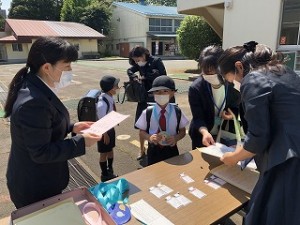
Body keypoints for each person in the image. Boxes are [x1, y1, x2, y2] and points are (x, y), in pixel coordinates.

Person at [4, 37, 101, 209]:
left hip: (38, 179)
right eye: (67, 66)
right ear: (47, 67)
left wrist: (72, 127)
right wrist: (81, 142)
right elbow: (40, 152)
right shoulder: (33, 102)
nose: (71, 71)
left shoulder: (35, 85)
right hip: (35, 187)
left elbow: (45, 125)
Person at [219, 41, 300, 225]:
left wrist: (233, 157)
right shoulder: (284, 72)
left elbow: (258, 138)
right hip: (292, 151)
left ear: (239, 67)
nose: (236, 84)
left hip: (287, 163)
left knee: (264, 215)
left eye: (233, 79)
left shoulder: (253, 79)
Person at [188, 45, 240, 149]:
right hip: (203, 136)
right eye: (207, 72)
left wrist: (231, 113)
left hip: (225, 134)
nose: (211, 75)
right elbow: (198, 117)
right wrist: (205, 132)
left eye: (215, 71)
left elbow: (237, 104)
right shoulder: (196, 88)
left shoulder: (232, 83)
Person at [135, 76, 189, 165]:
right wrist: (149, 137)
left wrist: (176, 138)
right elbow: (141, 132)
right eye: (157, 92)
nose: (161, 94)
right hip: (153, 148)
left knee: (172, 172)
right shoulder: (147, 112)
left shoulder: (177, 111)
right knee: (154, 173)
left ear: (172, 93)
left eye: (165, 91)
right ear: (153, 94)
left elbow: (182, 131)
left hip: (171, 148)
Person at [127, 46, 167, 160]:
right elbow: (129, 70)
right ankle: (141, 150)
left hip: (156, 98)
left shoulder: (156, 61)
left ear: (144, 55)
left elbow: (163, 76)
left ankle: (160, 147)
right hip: (143, 98)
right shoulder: (139, 64)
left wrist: (145, 76)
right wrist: (134, 76)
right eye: (135, 60)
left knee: (156, 125)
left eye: (138, 59)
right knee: (141, 126)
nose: (137, 62)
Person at [97, 75, 119, 182]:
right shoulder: (102, 102)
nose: (118, 88)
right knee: (103, 153)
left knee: (110, 150)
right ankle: (104, 174)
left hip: (110, 129)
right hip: (104, 131)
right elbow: (100, 119)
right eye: (116, 86)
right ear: (111, 88)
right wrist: (104, 134)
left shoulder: (108, 97)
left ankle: (110, 169)